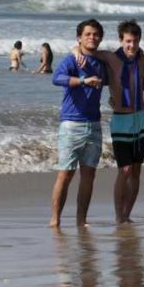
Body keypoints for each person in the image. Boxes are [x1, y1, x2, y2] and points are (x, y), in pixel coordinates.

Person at [73, 20, 144, 223]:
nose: (131, 45)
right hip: (121, 119)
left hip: (141, 118)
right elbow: (86, 49)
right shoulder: (110, 57)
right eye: (128, 41)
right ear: (121, 40)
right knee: (124, 169)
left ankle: (127, 215)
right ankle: (119, 215)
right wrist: (75, 51)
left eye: (135, 41)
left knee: (136, 169)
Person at [49, 19, 107, 228]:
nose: (92, 37)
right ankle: (55, 220)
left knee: (89, 174)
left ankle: (81, 220)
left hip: (94, 124)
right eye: (88, 34)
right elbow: (56, 78)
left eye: (96, 34)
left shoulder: (101, 63)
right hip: (71, 123)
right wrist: (83, 80)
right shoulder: (73, 60)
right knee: (65, 173)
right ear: (79, 38)